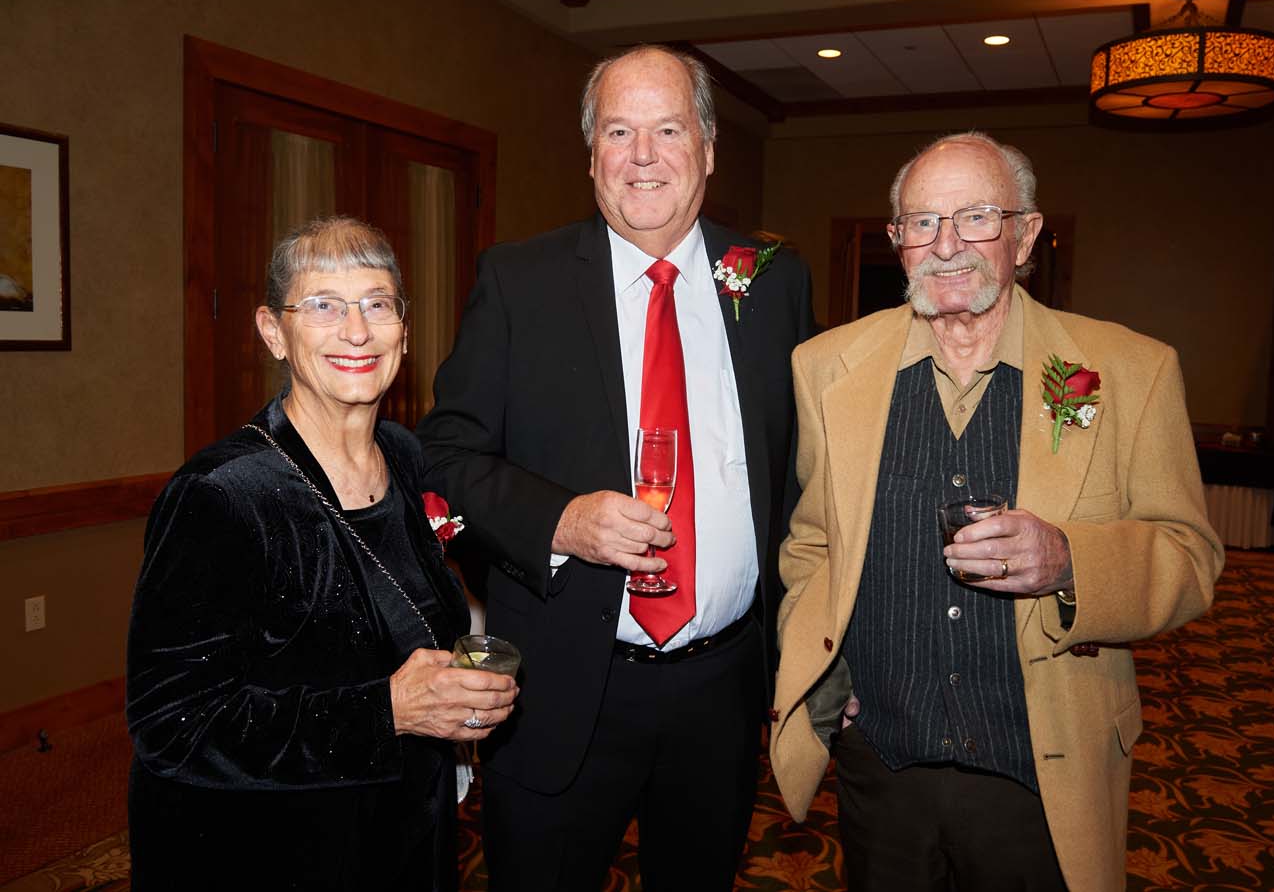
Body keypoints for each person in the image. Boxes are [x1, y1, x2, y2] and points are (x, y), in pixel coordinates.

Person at [768, 132, 1222, 891]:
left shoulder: (1125, 372)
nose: (947, 246)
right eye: (921, 224)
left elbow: (1189, 557)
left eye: (976, 217)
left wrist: (1071, 560)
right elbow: (811, 544)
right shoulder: (826, 368)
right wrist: (821, 668)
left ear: (1026, 233)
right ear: (896, 243)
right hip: (882, 770)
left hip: (1043, 777)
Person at [416, 45, 815, 891]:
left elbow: (805, 479)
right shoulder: (520, 282)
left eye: (668, 129)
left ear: (708, 148)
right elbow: (443, 455)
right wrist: (560, 521)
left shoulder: (774, 284)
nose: (642, 156)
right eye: (618, 131)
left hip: (723, 689)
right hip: (565, 688)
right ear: (591, 153)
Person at [126, 217, 518, 891]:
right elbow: (172, 723)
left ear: (404, 327)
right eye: (324, 306)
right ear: (273, 331)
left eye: (377, 303)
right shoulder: (224, 494)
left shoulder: (403, 453)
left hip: (401, 826)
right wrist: (387, 710)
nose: (357, 330)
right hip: (276, 851)